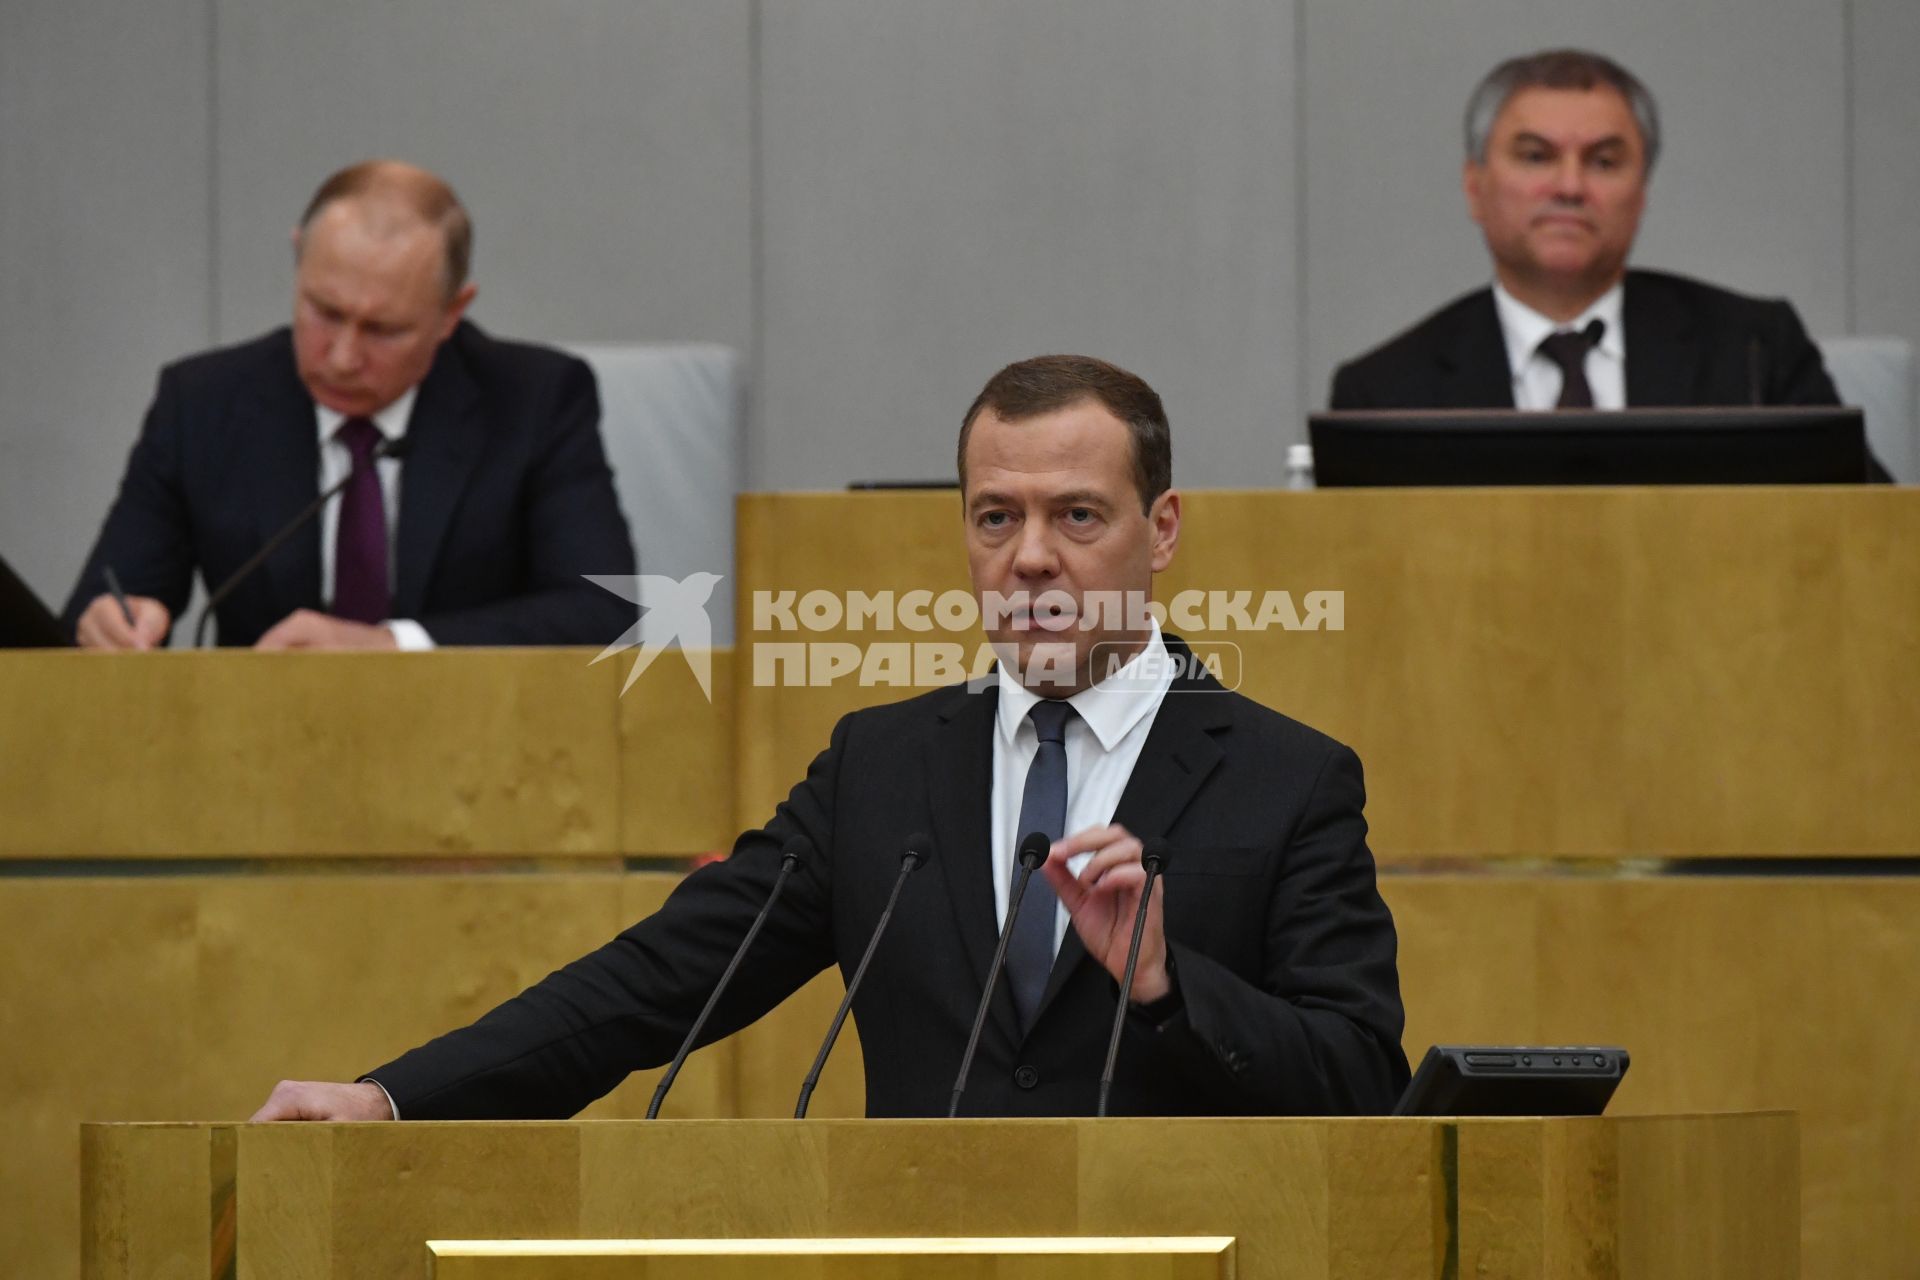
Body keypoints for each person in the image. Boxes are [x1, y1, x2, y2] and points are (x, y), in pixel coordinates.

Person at [252, 355, 1408, 1121]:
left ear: (1160, 531)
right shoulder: (884, 768)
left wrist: (1167, 984)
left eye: (1078, 515)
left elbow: (1362, 1077)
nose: (1031, 557)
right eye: (996, 516)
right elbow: (657, 982)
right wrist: (394, 1097)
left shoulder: (1287, 774)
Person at [65, 160, 636, 650]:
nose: (341, 357)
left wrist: (392, 643)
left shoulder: (536, 400)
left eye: (383, 330)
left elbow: (602, 614)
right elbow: (102, 603)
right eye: (325, 312)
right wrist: (112, 625)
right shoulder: (202, 404)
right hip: (255, 752)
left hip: (477, 747)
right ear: (298, 261)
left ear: (451, 313)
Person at [1329, 48, 1883, 480]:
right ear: (1474, 187)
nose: (1570, 187)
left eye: (1604, 161)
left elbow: (1878, 544)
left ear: (1641, 193)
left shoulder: (1754, 354)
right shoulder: (1385, 394)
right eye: (1536, 156)